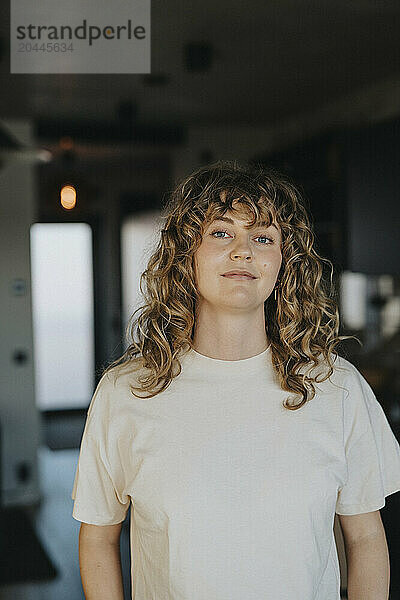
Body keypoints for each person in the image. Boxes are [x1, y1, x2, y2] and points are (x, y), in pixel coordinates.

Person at [71, 160, 400, 600]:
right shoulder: (125, 391)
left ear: (283, 263)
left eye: (262, 238)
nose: (243, 251)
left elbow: (364, 540)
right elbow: (98, 538)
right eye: (221, 232)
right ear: (185, 254)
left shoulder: (337, 387)